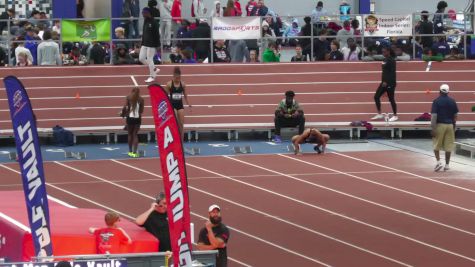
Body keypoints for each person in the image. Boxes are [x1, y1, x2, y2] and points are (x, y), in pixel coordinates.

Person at [431, 84, 459, 172]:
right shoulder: (452, 101)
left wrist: (433, 128)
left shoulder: (436, 101)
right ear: (448, 92)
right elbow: (455, 115)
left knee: (436, 145)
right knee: (448, 146)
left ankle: (438, 162)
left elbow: (434, 116)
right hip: (450, 125)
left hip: (440, 125)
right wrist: (454, 126)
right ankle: (447, 165)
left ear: (439, 91)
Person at [371, 46, 398, 122]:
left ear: (388, 51)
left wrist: (387, 82)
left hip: (390, 83)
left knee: (391, 99)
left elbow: (392, 73)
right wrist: (383, 82)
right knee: (376, 97)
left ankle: (395, 115)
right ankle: (379, 114)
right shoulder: (384, 59)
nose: (383, 53)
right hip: (383, 82)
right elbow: (385, 72)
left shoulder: (392, 60)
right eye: (382, 52)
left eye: (384, 52)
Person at [164, 67, 191, 141]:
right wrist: (166, 105)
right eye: (176, 78)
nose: (178, 79)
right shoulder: (169, 84)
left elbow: (185, 95)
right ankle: (174, 139)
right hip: (172, 105)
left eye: (179, 78)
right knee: (175, 121)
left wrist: (188, 103)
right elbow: (165, 96)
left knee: (181, 124)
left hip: (180, 105)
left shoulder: (182, 84)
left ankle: (181, 141)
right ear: (173, 76)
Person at [121, 87, 144, 158]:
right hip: (137, 119)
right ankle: (135, 152)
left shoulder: (128, 97)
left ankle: (130, 151)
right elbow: (141, 111)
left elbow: (125, 107)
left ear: (132, 91)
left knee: (130, 134)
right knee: (135, 134)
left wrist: (122, 114)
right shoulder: (141, 99)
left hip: (130, 119)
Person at [140, 7, 160, 83]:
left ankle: (152, 76)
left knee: (149, 59)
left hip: (152, 44)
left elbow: (157, 35)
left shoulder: (154, 22)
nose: (142, 14)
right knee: (141, 58)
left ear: (148, 13)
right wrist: (142, 42)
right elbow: (144, 33)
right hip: (144, 43)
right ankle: (154, 68)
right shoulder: (145, 21)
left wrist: (158, 45)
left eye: (144, 13)